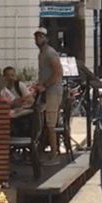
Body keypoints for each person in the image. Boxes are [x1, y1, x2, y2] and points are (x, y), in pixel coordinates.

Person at [34, 28, 63, 161]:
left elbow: (57, 72)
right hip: (46, 91)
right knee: (44, 122)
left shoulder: (50, 53)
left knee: (51, 124)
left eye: (41, 36)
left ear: (46, 38)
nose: (38, 39)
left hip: (53, 91)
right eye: (36, 37)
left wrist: (45, 85)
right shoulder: (41, 54)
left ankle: (54, 153)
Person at [1, 67, 35, 139]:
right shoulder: (2, 88)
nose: (10, 78)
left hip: (21, 113)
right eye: (8, 75)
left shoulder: (19, 85)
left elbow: (30, 99)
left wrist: (20, 100)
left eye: (12, 75)